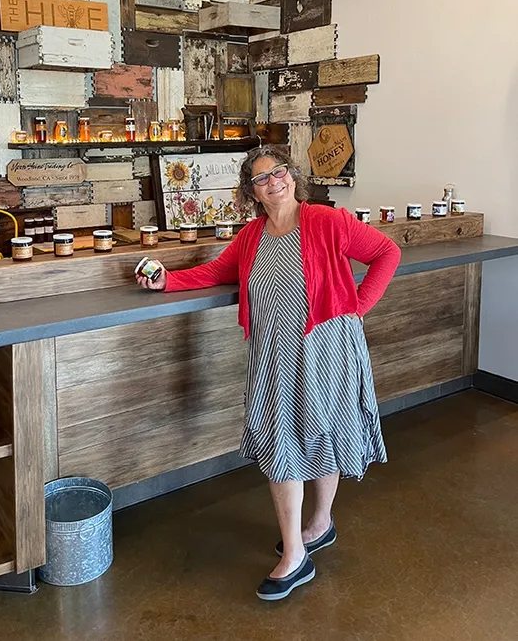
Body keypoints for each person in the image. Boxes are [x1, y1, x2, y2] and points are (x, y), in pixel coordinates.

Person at [136, 146, 401, 601]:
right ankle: (295, 551)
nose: (273, 181)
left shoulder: (327, 221)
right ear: (252, 193)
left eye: (278, 172)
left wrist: (358, 308)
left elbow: (386, 253)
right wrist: (168, 281)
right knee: (282, 442)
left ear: (292, 177)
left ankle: (319, 524)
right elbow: (217, 272)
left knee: (325, 435)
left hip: (330, 347)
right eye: (261, 178)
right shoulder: (252, 236)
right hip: (273, 356)